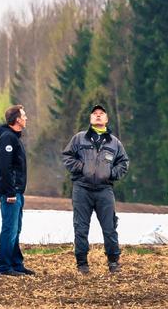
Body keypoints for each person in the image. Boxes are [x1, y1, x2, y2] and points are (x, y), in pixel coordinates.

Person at [61, 104, 129, 274]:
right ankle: (82, 263)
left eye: (101, 114)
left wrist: (111, 173)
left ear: (106, 119)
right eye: (95, 114)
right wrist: (81, 167)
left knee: (110, 227)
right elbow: (67, 156)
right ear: (90, 119)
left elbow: (124, 163)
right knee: (81, 227)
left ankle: (113, 262)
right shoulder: (79, 138)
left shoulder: (115, 143)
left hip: (104, 190)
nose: (98, 116)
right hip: (81, 188)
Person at [0, 104, 35, 276]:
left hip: (17, 192)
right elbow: (6, 167)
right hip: (10, 193)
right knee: (9, 229)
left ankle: (16, 264)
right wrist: (10, 192)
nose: (26, 118)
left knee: (16, 229)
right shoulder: (7, 138)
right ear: (17, 119)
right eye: (24, 115)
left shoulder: (15, 137)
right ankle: (4, 267)